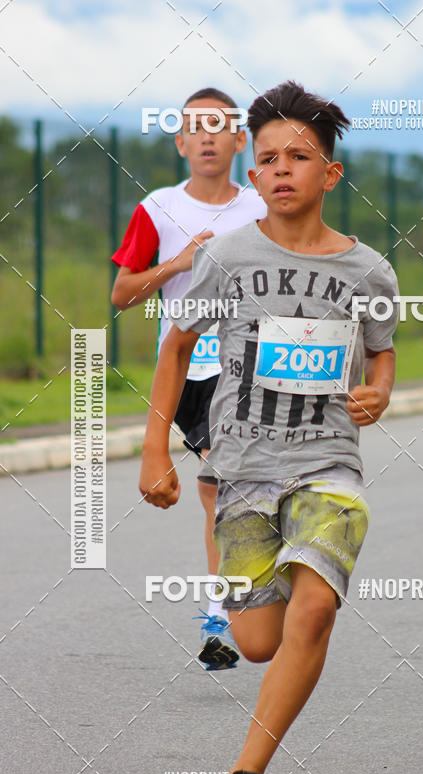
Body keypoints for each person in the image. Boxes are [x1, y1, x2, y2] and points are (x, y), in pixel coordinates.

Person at [138, 80, 399, 774]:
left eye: (300, 156)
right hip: (242, 470)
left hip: (327, 464)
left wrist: (378, 392)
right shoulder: (224, 258)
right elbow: (177, 349)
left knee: (314, 606)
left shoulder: (369, 273)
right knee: (257, 643)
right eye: (269, 158)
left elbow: (382, 360)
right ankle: (274, 629)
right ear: (253, 175)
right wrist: (158, 452)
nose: (281, 169)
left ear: (330, 175)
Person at [111, 87, 266, 669]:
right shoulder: (158, 209)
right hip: (189, 372)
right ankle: (221, 619)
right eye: (194, 128)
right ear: (180, 142)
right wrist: (179, 264)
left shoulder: (260, 208)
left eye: (218, 126)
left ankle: (226, 614)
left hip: (253, 366)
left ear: (237, 140)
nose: (206, 136)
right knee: (219, 492)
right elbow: (123, 294)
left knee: (230, 490)